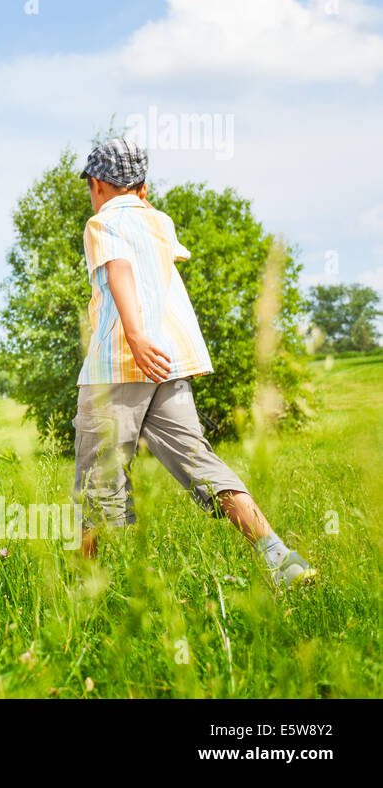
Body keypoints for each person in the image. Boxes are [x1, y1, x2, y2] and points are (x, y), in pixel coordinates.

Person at [73, 138, 315, 588]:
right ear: (143, 188)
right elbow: (157, 259)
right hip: (169, 364)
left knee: (97, 480)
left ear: (99, 184)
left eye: (90, 184)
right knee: (200, 462)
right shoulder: (160, 222)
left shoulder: (100, 224)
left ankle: (85, 588)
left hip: (118, 366)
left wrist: (136, 333)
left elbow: (121, 268)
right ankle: (280, 558)